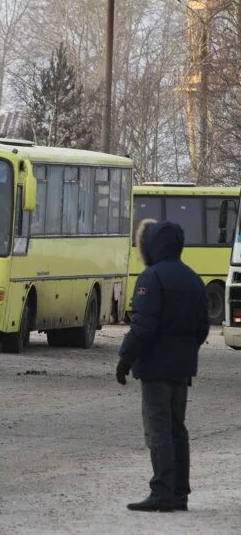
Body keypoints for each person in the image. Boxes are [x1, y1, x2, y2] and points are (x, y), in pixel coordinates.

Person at [116, 219, 209, 512]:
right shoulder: (193, 278)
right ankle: (179, 492)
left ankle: (162, 491)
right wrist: (184, 351)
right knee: (177, 428)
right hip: (182, 367)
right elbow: (203, 328)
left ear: (153, 245)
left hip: (156, 368)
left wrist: (125, 358)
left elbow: (143, 326)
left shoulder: (151, 278)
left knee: (158, 429)